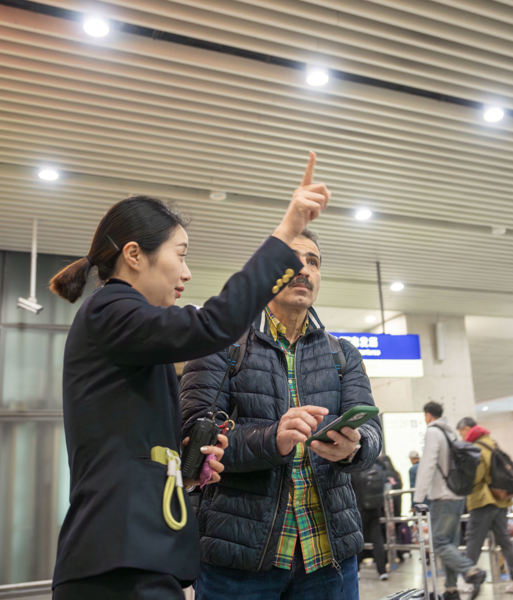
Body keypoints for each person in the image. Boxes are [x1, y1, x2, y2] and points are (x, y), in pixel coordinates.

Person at [49, 153, 329, 600]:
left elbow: (129, 441)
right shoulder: (110, 309)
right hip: (119, 558)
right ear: (134, 255)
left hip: (135, 552)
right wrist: (288, 229)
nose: (187, 271)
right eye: (180, 255)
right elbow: (213, 325)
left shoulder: (129, 328)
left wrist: (184, 469)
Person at [180, 226, 383, 600]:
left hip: (329, 558)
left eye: (313, 262)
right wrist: (271, 439)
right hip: (240, 559)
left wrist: (355, 448)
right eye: (292, 260)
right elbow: (194, 439)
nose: (304, 269)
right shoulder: (221, 345)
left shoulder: (343, 354)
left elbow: (372, 431)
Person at [413, 402, 487, 600]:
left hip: (443, 496)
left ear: (428, 415)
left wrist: (418, 498)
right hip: (457, 494)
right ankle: (452, 589)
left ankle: (471, 571)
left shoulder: (433, 432)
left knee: (438, 541)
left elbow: (427, 464)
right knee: (450, 543)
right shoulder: (450, 432)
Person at [456, 418, 513, 594]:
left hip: (483, 501)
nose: (462, 437)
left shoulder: (477, 448)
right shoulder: (493, 444)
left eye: (461, 433)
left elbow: (476, 476)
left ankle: (466, 579)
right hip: (500, 500)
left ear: (467, 429)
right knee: (505, 541)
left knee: (473, 541)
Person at [350, 461, 388, 580]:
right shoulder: (375, 467)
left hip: (360, 510)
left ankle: (356, 570)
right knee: (378, 540)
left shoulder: (355, 469)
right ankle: (382, 571)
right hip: (375, 510)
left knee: (358, 540)